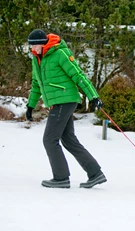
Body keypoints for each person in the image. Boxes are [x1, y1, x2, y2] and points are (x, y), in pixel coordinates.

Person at [26, 29, 107, 189]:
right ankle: (95, 173)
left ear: (43, 44)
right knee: (68, 139)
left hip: (65, 100)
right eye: (31, 46)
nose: (32, 49)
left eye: (34, 46)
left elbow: (78, 75)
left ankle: (61, 178)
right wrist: (30, 105)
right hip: (58, 102)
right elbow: (36, 84)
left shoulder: (60, 53)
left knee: (49, 139)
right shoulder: (37, 59)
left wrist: (93, 96)